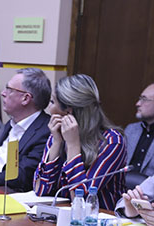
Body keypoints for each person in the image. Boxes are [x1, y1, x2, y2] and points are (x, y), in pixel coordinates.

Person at [32, 74, 126, 210]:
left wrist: (73, 146)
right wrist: (57, 143)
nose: (49, 108)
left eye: (52, 102)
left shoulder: (112, 141)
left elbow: (81, 200)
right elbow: (40, 190)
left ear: (69, 111)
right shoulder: (58, 134)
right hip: (59, 215)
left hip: (97, 219)